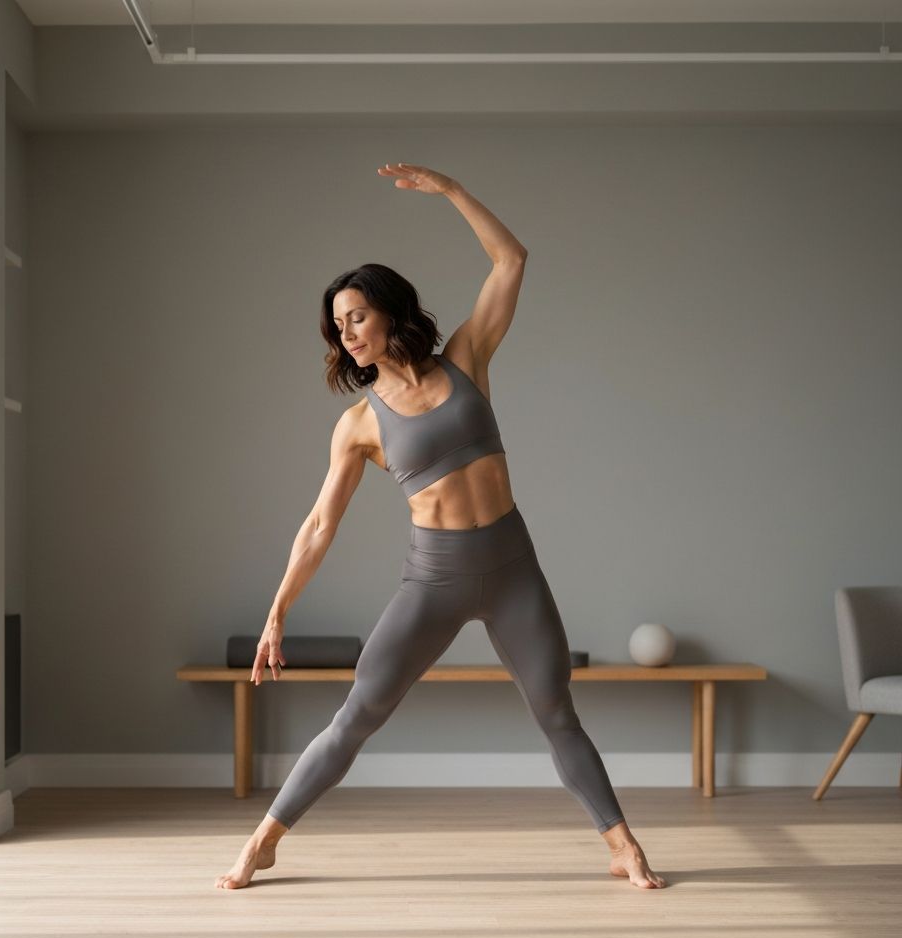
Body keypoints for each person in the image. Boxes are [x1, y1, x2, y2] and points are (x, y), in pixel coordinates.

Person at [217, 163, 666, 891]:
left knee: (556, 710)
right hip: (435, 579)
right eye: (338, 325)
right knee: (359, 714)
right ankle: (262, 843)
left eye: (357, 316)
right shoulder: (359, 424)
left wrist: (452, 192)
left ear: (390, 312)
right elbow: (320, 524)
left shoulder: (465, 359)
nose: (347, 333)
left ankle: (622, 846)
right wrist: (277, 611)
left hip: (514, 566)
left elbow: (511, 260)